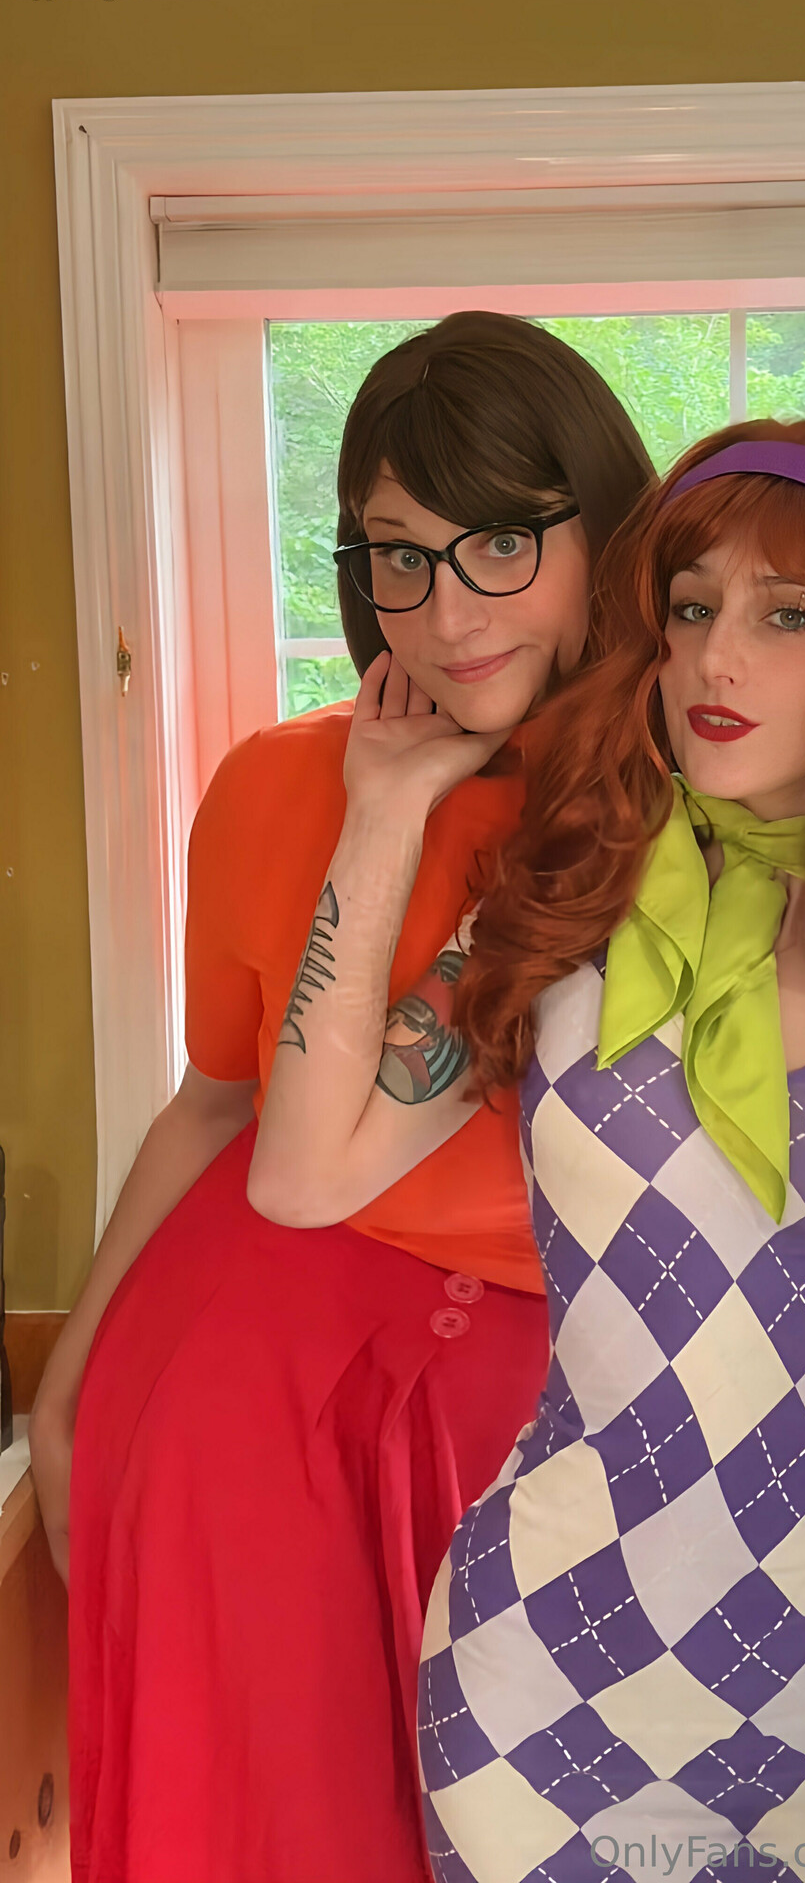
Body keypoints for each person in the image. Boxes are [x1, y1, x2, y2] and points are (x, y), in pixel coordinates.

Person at [254, 418, 805, 1883]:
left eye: (790, 616)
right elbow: (299, 1176)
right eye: (690, 607)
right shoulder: (567, 901)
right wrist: (385, 808)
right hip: (545, 1692)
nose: (714, 658)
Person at [28, 311, 653, 1883]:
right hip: (235, 1405)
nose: (446, 614)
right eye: (399, 555)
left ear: (602, 532)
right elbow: (214, 1110)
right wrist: (69, 1383)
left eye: (500, 543)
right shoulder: (273, 783)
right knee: (258, 1828)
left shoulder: (673, 815)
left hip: (544, 1413)